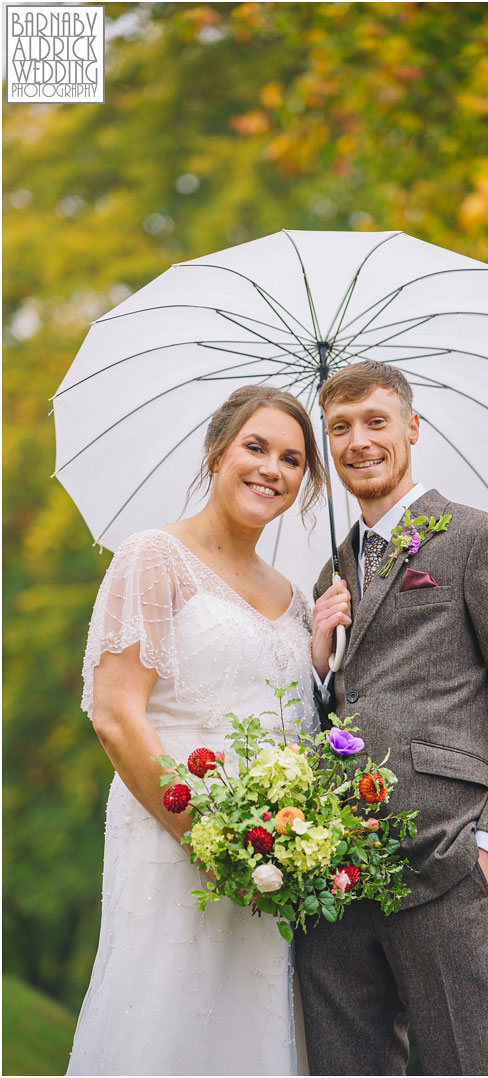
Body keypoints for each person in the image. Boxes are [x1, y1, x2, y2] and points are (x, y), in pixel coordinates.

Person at [299, 361, 488, 1075]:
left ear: (412, 428)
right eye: (340, 428)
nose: (358, 441)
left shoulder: (479, 540)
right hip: (337, 878)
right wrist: (321, 662)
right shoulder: (329, 573)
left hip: (452, 867)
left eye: (375, 422)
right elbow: (338, 711)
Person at [70, 386, 327, 1074]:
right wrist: (210, 840)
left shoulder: (297, 597)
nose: (272, 467)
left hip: (270, 864)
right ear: (217, 453)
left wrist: (325, 650)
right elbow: (115, 713)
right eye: (256, 447)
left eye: (294, 459)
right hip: (175, 844)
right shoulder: (154, 558)